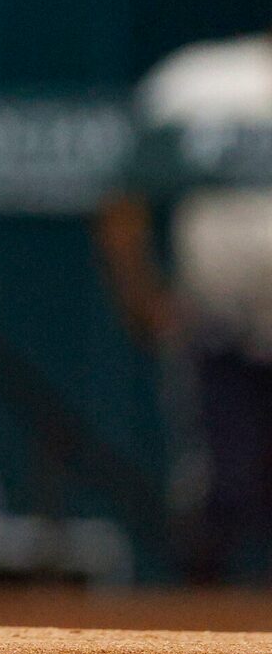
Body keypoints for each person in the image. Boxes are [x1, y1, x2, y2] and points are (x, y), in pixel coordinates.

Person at [98, 31, 272, 582]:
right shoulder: (204, 77)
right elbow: (119, 175)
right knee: (221, 498)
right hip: (223, 326)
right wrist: (140, 291)